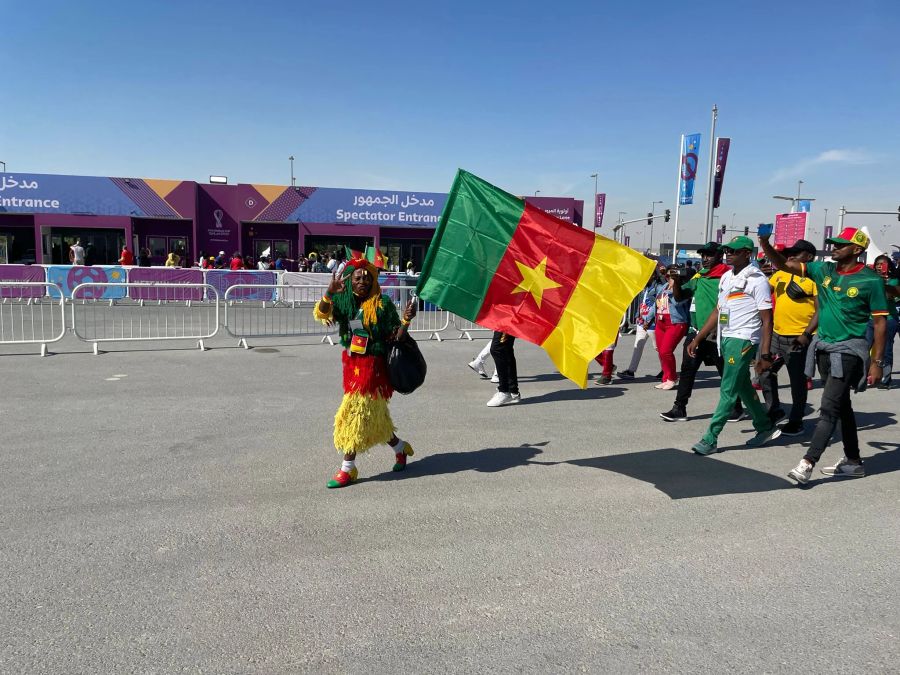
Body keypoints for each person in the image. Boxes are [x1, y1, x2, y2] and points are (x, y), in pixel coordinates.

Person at [759, 227, 889, 484]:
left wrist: (877, 362)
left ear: (858, 250)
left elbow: (881, 324)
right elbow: (784, 265)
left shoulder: (870, 281)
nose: (834, 247)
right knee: (843, 407)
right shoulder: (824, 270)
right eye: (833, 242)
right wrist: (765, 243)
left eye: (841, 244)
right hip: (824, 349)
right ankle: (853, 462)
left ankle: (807, 462)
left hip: (849, 352)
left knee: (829, 408)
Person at [314, 259, 417, 488]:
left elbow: (396, 336)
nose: (362, 282)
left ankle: (347, 469)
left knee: (354, 413)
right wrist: (329, 294)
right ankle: (401, 449)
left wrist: (407, 320)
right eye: (357, 278)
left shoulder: (382, 304)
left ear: (373, 280)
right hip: (352, 363)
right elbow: (322, 314)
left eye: (367, 278)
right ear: (350, 280)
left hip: (374, 366)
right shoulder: (343, 301)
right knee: (376, 418)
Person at [688, 236, 781, 455]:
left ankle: (710, 438)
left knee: (728, 388)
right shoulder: (726, 277)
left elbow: (767, 320)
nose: (728, 253)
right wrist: (698, 338)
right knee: (741, 386)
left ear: (747, 253)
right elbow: (717, 311)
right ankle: (765, 425)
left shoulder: (757, 280)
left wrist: (765, 353)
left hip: (744, 339)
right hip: (726, 337)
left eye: (734, 250)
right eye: (727, 250)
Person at [660, 242, 743, 422]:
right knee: (687, 370)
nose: (705, 258)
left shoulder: (728, 277)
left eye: (709, 255)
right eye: (703, 255)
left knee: (726, 373)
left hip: (719, 334)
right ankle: (679, 408)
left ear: (719, 256)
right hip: (696, 333)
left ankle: (737, 407)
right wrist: (676, 282)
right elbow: (681, 296)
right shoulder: (700, 276)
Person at [758, 239, 819, 435]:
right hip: (776, 334)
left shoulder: (814, 277)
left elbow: (821, 310)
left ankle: (796, 420)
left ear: (808, 257)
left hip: (799, 338)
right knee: (764, 373)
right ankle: (774, 410)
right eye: (790, 252)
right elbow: (764, 294)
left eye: (797, 252)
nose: (791, 255)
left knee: (797, 381)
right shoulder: (780, 274)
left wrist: (806, 334)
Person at [618, 264, 665, 380]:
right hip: (641, 322)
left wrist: (649, 319)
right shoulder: (644, 288)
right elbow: (641, 303)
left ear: (654, 276)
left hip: (653, 323)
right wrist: (637, 315)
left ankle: (666, 370)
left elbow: (660, 303)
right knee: (637, 346)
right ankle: (631, 371)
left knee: (659, 348)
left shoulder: (658, 287)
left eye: (648, 275)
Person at [653, 265, 691, 390]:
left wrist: (675, 284)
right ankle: (666, 377)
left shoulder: (682, 288)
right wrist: (647, 318)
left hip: (675, 322)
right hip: (660, 322)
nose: (669, 278)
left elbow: (677, 301)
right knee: (661, 352)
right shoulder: (663, 287)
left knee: (666, 351)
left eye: (672, 275)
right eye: (668, 275)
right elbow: (656, 303)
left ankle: (673, 378)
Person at [865, 254, 899, 389]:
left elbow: (890, 296)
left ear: (889, 266)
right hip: (870, 319)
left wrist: (883, 282)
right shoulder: (870, 279)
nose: (880, 266)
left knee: (886, 350)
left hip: (889, 319)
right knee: (864, 347)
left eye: (883, 264)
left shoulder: (894, 281)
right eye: (878, 264)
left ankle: (885, 379)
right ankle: (863, 376)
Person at [487, 331, 520, 406]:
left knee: (498, 349)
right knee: (506, 349)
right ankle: (512, 391)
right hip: (506, 320)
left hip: (508, 320)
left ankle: (505, 390)